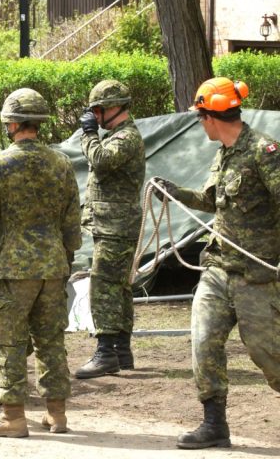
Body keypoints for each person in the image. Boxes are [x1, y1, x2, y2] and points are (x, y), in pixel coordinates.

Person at [152, 77, 280, 450]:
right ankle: (214, 424)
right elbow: (212, 200)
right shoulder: (225, 152)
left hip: (257, 275)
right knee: (204, 341)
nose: (199, 124)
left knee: (268, 354)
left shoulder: (264, 151)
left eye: (199, 117)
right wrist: (176, 193)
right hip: (218, 269)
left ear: (211, 117)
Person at [0, 88, 81, 438]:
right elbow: (72, 220)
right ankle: (56, 415)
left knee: (8, 343)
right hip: (53, 266)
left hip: (14, 269)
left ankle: (13, 417)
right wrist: (66, 255)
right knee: (51, 341)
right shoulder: (60, 163)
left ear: (13, 123)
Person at [75, 79, 145, 379]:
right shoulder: (121, 135)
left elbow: (101, 161)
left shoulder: (126, 137)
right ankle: (120, 350)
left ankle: (106, 353)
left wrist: (88, 134)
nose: (95, 116)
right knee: (119, 287)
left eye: (98, 110)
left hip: (115, 226)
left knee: (104, 286)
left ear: (113, 108)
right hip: (113, 224)